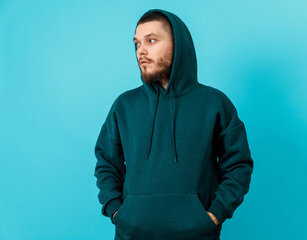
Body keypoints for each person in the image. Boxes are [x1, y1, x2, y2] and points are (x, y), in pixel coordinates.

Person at [94, 8, 254, 240]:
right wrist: (117, 211)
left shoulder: (214, 103)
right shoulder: (124, 105)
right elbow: (107, 163)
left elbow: (238, 165)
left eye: (151, 40)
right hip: (131, 234)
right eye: (137, 44)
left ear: (178, 45)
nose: (142, 51)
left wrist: (214, 215)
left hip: (198, 235)